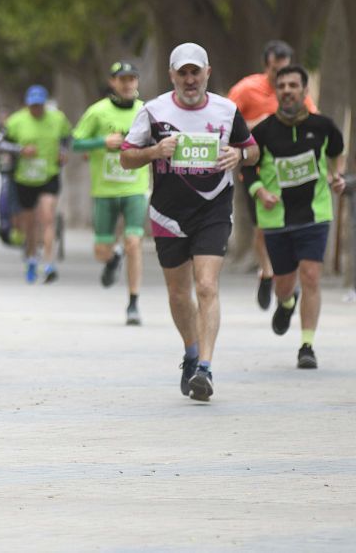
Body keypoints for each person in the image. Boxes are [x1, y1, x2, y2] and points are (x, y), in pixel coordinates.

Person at [121, 43, 258, 402]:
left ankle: (206, 369)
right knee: (179, 294)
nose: (190, 79)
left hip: (213, 209)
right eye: (182, 72)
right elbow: (126, 158)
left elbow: (253, 149)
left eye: (195, 72)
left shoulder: (227, 110)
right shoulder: (153, 111)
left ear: (207, 73)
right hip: (168, 215)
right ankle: (191, 351)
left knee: (207, 286)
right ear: (172, 76)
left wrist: (239, 154)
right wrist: (154, 151)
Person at [241, 65, 346, 369]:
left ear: (304, 91)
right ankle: (287, 302)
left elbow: (337, 152)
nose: (287, 90)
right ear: (277, 92)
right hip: (277, 217)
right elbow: (247, 168)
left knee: (311, 275)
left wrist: (336, 175)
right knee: (284, 284)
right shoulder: (262, 132)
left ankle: (307, 345)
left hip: (316, 213)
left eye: (293, 85)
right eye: (282, 85)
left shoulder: (324, 126)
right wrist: (260, 191)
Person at [228, 41, 318, 310]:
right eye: (276, 70)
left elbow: (314, 120)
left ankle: (284, 280)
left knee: (290, 226)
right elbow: (224, 120)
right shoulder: (246, 89)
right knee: (263, 228)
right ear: (266, 66)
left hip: (290, 169)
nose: (283, 79)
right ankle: (267, 272)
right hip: (256, 167)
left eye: (286, 69)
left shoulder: (296, 91)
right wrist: (262, 123)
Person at [72, 61, 150, 325]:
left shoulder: (145, 111)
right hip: (104, 190)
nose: (127, 83)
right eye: (122, 79)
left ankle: (133, 302)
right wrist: (101, 142)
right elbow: (74, 142)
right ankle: (113, 257)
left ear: (137, 82)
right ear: (112, 82)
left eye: (132, 79)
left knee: (135, 242)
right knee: (101, 250)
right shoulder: (97, 112)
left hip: (134, 188)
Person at [0, 84, 71, 283]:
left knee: (47, 218)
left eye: (39, 106)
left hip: (49, 175)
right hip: (24, 178)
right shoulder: (16, 121)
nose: (36, 110)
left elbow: (68, 137)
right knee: (29, 224)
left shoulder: (57, 119)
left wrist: (63, 152)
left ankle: (49, 263)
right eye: (33, 106)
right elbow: (0, 143)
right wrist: (20, 150)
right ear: (27, 105)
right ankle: (31, 258)